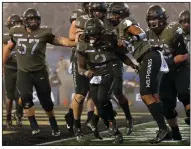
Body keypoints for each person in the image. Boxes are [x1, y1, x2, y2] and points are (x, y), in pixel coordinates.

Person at [107, 2, 188, 143]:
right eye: (110, 14)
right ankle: (166, 129)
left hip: (152, 57)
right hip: (147, 59)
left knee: (146, 95)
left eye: (114, 14)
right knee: (155, 97)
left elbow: (140, 33)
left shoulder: (126, 22)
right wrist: (132, 63)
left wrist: (129, 40)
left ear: (121, 14)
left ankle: (163, 129)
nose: (111, 17)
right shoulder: (117, 31)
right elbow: (123, 54)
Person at [3, 8, 75, 136]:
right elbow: (8, 47)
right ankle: (34, 125)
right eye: (31, 19)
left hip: (39, 72)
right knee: (25, 99)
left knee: (46, 102)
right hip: (24, 72)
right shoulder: (16, 32)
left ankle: (53, 124)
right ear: (25, 21)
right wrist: (2, 64)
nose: (34, 21)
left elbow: (60, 40)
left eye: (36, 19)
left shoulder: (44, 32)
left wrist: (74, 42)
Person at [76, 18, 137, 144]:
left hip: (109, 73)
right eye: (90, 34)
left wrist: (132, 64)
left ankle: (116, 124)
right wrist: (85, 72)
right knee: (100, 106)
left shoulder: (109, 40)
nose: (92, 37)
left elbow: (121, 55)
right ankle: (115, 131)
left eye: (95, 34)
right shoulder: (82, 44)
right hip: (94, 75)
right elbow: (80, 68)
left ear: (101, 33)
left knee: (103, 99)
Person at [87, 2, 133, 135]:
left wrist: (122, 40)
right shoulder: (90, 24)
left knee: (117, 91)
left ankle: (128, 118)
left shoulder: (113, 22)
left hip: (113, 60)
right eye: (94, 10)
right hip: (98, 64)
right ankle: (106, 119)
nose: (96, 13)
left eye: (99, 11)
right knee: (99, 96)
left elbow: (122, 42)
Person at [146, 5, 190, 140]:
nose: (153, 22)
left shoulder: (172, 29)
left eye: (156, 19)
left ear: (163, 19)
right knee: (166, 106)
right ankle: (175, 132)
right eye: (151, 19)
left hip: (179, 69)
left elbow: (183, 56)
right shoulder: (148, 34)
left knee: (184, 93)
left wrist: (167, 63)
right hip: (164, 73)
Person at [3, 14, 24, 128]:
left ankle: (19, 114)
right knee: (10, 96)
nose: (20, 25)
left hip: (22, 68)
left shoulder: (25, 35)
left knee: (21, 95)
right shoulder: (6, 37)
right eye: (18, 23)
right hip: (9, 68)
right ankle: (8, 118)